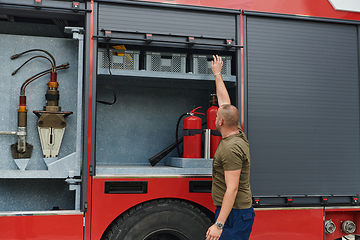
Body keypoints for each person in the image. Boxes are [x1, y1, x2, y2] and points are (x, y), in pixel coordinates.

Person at [206, 55, 255, 240]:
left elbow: (232, 189)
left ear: (220, 121)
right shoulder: (237, 131)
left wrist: (219, 224)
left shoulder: (230, 148)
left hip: (235, 213)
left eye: (217, 115)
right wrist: (217, 74)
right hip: (235, 211)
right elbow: (225, 103)